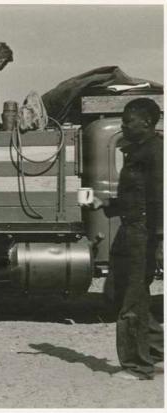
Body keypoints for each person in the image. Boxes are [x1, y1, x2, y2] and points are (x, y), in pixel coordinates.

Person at [87, 98, 163, 380]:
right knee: (125, 292)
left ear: (146, 122)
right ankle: (156, 352)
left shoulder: (156, 152)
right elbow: (133, 196)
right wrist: (104, 205)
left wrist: (159, 240)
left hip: (142, 232)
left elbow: (158, 199)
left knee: (132, 296)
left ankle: (137, 366)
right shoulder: (138, 151)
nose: (123, 125)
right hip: (129, 229)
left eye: (128, 120)